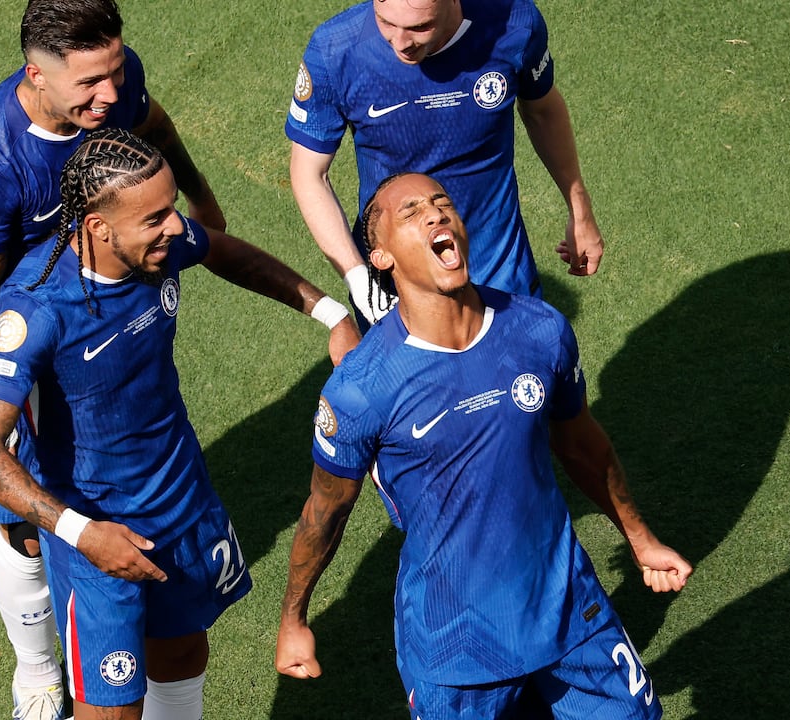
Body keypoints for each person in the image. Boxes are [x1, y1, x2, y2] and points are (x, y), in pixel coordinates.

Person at [0, 128, 359, 720]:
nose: (174, 227)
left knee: (182, 658)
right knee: (112, 709)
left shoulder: (158, 244)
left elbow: (222, 250)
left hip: (183, 501)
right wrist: (80, 534)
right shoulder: (37, 308)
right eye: (155, 218)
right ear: (97, 228)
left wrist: (328, 313)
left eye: (171, 208)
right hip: (99, 535)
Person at [274, 173, 691, 719]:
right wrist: (293, 619)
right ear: (380, 258)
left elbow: (585, 448)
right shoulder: (362, 389)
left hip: (569, 613)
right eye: (411, 213)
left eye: (442, 203)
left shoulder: (538, 330)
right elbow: (323, 513)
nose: (435, 214)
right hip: (454, 652)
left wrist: (640, 539)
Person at [0, 2, 225, 717]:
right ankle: (37, 670)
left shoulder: (116, 85)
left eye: (116, 74)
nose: (109, 95)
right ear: (36, 74)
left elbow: (155, 132)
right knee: (25, 517)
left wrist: (205, 206)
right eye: (91, 83)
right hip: (18, 355)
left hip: (100, 330)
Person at [287, 0, 604, 325]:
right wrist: (357, 278)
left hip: (501, 270)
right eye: (385, 22)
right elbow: (309, 173)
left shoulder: (514, 23)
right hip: (402, 288)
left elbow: (543, 112)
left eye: (419, 28)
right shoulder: (335, 49)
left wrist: (579, 211)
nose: (400, 43)